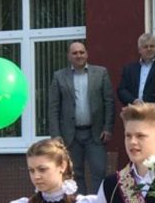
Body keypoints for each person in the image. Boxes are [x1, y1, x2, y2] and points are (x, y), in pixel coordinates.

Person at [47, 40, 115, 194]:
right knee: (75, 174)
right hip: (70, 136)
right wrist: (56, 134)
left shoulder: (100, 73)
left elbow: (109, 102)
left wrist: (108, 128)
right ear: (69, 56)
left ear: (87, 54)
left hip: (95, 133)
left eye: (81, 52)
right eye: (75, 53)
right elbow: (53, 107)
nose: (79, 55)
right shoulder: (59, 77)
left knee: (99, 171)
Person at [117, 33, 155, 131]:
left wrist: (145, 102)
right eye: (145, 47)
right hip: (135, 117)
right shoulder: (129, 68)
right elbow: (122, 90)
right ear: (139, 50)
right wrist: (134, 101)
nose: (149, 49)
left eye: (152, 46)